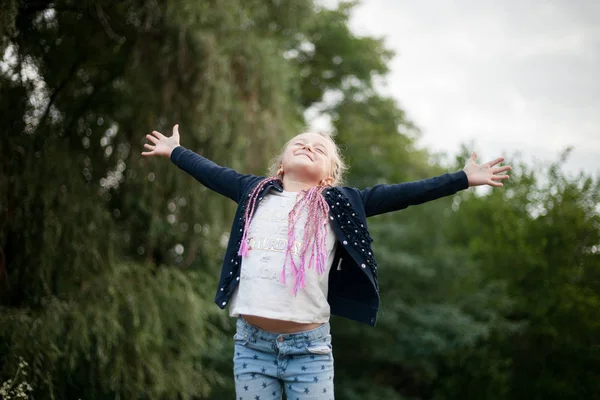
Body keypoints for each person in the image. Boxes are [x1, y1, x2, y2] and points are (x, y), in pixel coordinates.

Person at [142, 124, 511, 399]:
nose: (307, 145)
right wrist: (177, 152)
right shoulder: (253, 193)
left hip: (310, 350)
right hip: (251, 347)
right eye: (299, 144)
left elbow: (404, 194)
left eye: (319, 148)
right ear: (280, 167)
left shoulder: (340, 203)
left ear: (330, 176)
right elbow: (212, 173)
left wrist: (462, 178)